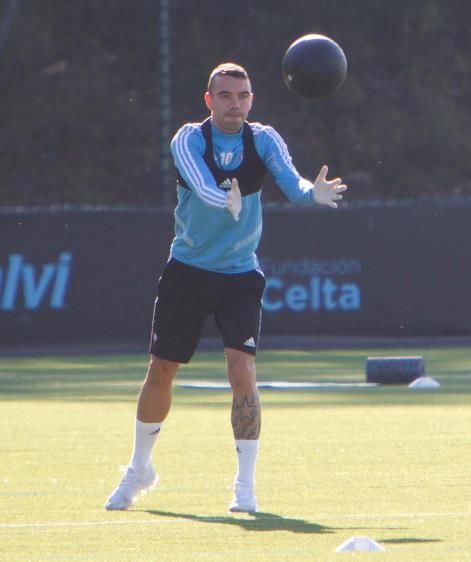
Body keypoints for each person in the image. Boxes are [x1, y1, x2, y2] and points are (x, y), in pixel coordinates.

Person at [105, 62, 347, 513]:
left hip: (240, 274)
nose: (235, 103)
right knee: (162, 369)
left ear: (251, 100)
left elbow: (291, 180)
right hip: (188, 270)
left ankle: (245, 486)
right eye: (225, 95)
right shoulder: (189, 138)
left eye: (243, 95)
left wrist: (309, 193)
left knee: (242, 370)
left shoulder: (264, 139)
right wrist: (225, 199)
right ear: (209, 99)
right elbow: (200, 184)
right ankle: (139, 468)